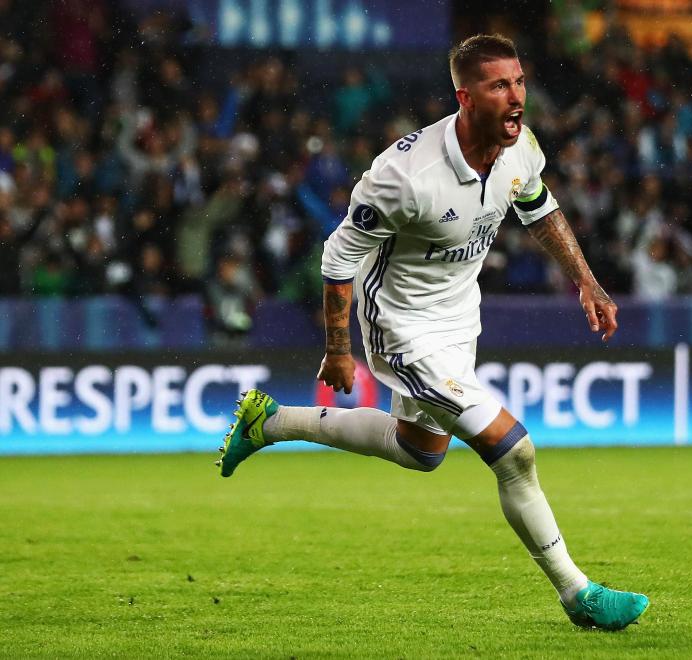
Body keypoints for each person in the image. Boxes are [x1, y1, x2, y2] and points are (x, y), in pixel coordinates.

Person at [216, 34, 649, 631]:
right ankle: (578, 593)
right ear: (466, 98)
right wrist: (339, 351)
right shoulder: (404, 175)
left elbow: (539, 207)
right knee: (513, 450)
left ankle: (269, 421)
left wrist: (586, 281)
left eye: (520, 81)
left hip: (456, 319)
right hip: (399, 327)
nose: (517, 97)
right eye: (500, 85)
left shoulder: (519, 144)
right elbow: (338, 259)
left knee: (421, 452)